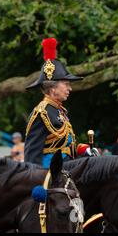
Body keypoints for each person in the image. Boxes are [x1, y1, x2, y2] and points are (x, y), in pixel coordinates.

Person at [24, 38, 93, 168]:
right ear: (52, 88)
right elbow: (32, 155)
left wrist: (80, 150)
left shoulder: (60, 111)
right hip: (51, 174)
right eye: (66, 84)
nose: (70, 89)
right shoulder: (41, 112)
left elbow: (63, 147)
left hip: (66, 169)